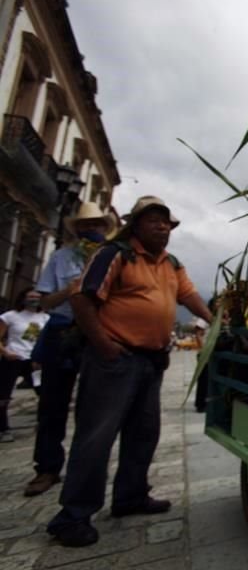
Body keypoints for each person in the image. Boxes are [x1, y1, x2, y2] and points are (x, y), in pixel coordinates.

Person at [47, 196, 213, 547]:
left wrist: (217, 323)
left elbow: (190, 297)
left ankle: (130, 496)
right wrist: (104, 344)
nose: (162, 227)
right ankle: (72, 515)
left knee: (144, 432)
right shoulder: (116, 254)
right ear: (136, 224)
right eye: (153, 220)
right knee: (97, 435)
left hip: (151, 361)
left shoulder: (172, 264)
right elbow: (81, 298)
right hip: (115, 359)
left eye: (166, 222)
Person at [25, 202, 113, 497]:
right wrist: (74, 288)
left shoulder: (112, 257)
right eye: (86, 225)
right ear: (78, 229)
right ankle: (47, 467)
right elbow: (46, 302)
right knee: (52, 405)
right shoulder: (61, 258)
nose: (92, 229)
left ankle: (86, 467)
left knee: (94, 407)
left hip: (96, 333)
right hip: (63, 331)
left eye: (97, 224)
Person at [0, 289, 49, 442]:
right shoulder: (10, 316)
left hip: (34, 361)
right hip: (13, 358)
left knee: (44, 392)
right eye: (30, 296)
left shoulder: (45, 318)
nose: (34, 299)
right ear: (23, 298)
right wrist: (5, 352)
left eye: (37, 297)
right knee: (3, 395)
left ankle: (43, 423)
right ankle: (3, 428)